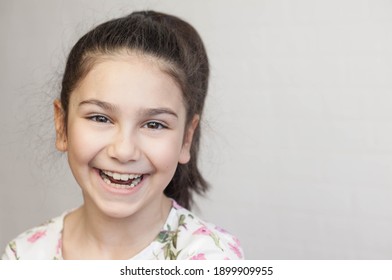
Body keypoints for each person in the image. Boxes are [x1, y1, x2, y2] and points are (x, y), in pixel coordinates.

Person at [2, 10, 243, 260]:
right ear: (62, 125)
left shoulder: (211, 258)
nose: (124, 150)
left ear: (186, 139)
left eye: (154, 125)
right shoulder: (23, 255)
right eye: (100, 118)